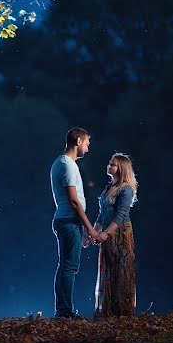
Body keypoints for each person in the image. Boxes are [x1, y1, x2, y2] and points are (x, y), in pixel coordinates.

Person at [50, 127, 102, 318]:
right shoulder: (67, 165)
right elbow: (73, 201)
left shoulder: (60, 163)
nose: (88, 148)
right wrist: (90, 229)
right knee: (69, 267)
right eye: (87, 143)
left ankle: (63, 309)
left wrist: (85, 229)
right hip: (68, 221)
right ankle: (64, 311)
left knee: (65, 265)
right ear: (78, 141)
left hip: (67, 220)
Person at [94, 153, 138, 317]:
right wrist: (93, 232)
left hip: (120, 234)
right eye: (109, 163)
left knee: (121, 272)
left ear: (121, 169)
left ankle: (123, 313)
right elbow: (102, 214)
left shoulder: (125, 189)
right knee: (109, 271)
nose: (109, 166)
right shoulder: (108, 188)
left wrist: (105, 234)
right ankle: (108, 312)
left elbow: (120, 216)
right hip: (108, 231)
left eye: (113, 165)